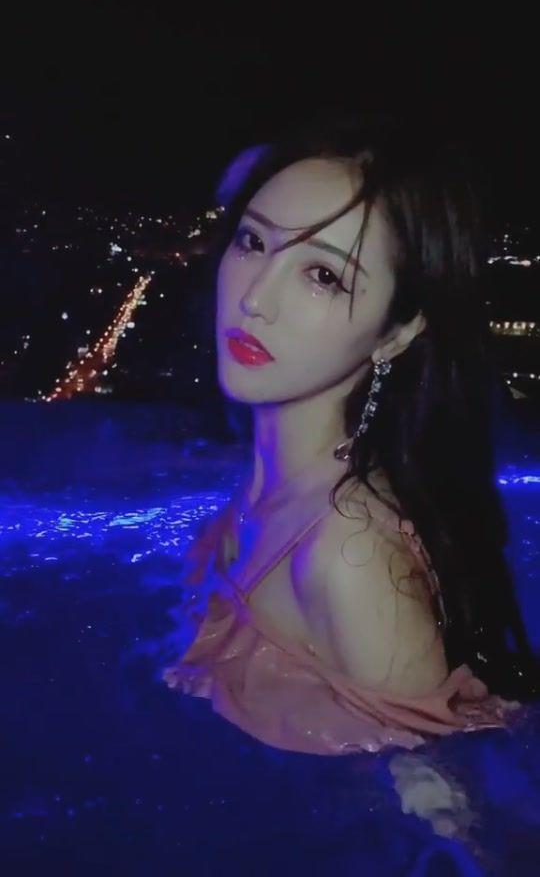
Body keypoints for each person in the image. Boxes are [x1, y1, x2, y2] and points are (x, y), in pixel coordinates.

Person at [162, 110, 536, 755]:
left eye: (324, 275)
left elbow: (437, 794)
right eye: (253, 241)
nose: (255, 298)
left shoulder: (348, 559)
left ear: (396, 333)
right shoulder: (276, 478)